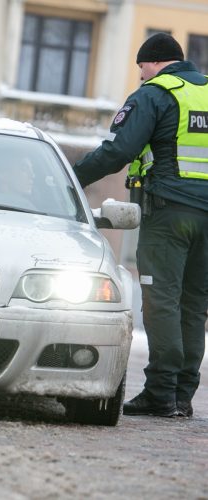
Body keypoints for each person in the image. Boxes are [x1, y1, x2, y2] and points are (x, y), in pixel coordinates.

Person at [73, 33, 208, 418]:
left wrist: (71, 178)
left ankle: (161, 393)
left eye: (141, 69)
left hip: (168, 214)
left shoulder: (154, 94)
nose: (141, 76)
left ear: (152, 63)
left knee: (161, 300)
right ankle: (182, 396)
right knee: (193, 304)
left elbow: (118, 150)